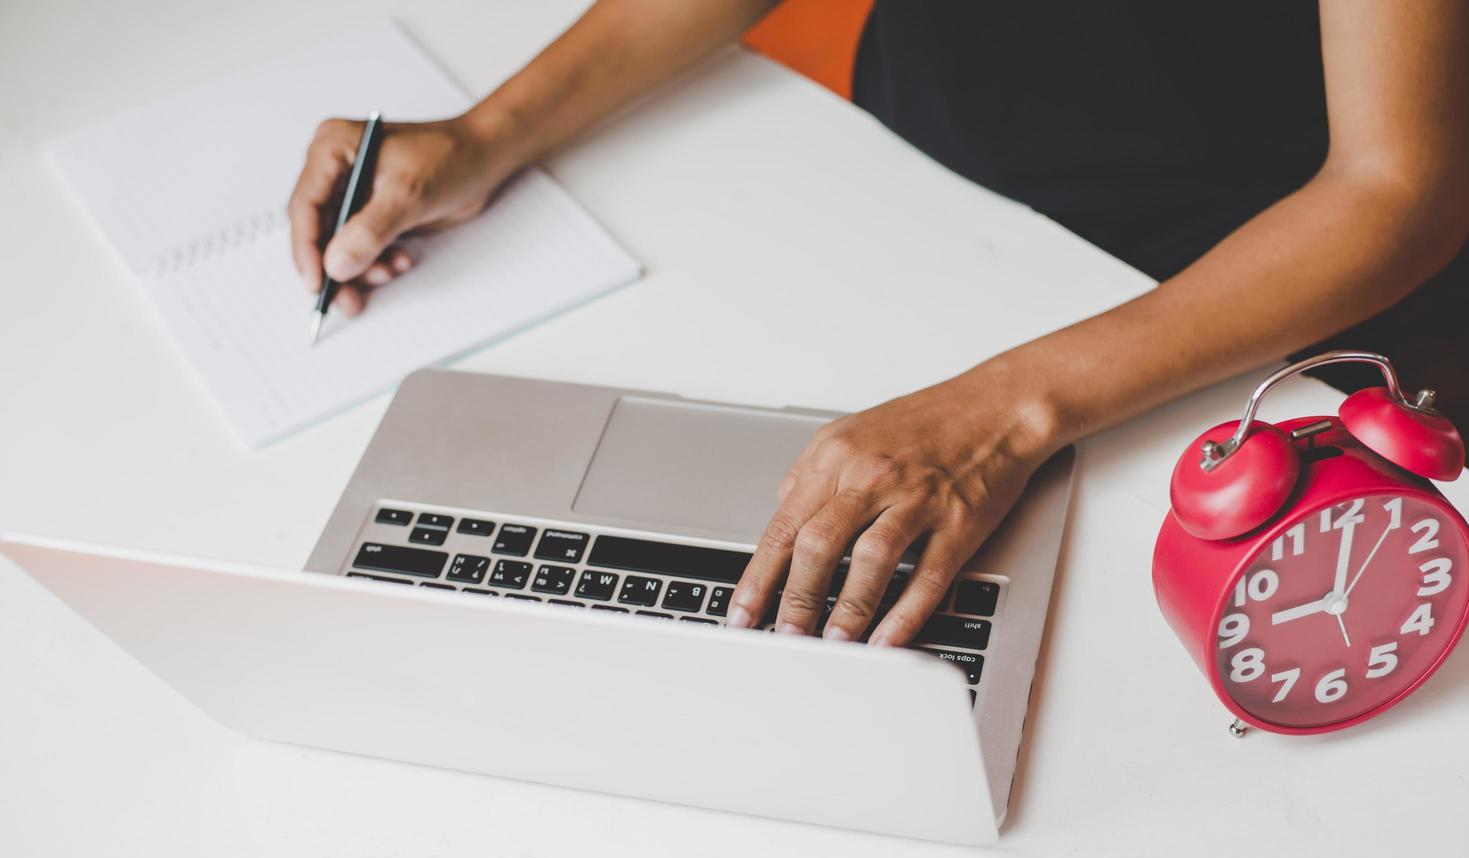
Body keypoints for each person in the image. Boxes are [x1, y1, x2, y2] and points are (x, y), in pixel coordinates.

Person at [288, 0, 1469, 648]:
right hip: (904, 176)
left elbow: (1393, 191)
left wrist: (1004, 412)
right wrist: (489, 134)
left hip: (1214, 296)